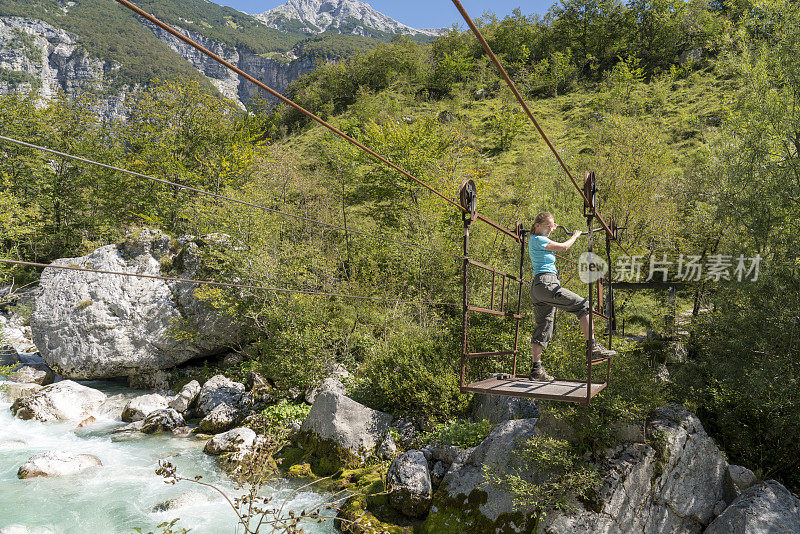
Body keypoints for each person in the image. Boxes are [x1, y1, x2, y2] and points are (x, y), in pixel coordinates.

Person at [528, 211, 616, 381]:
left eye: (550, 227)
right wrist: (575, 235)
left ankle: (536, 369)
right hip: (547, 283)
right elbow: (564, 247)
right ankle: (593, 347)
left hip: (538, 287)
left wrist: (551, 228)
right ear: (537, 225)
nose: (549, 230)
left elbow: (548, 233)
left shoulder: (535, 239)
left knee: (544, 325)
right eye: (546, 226)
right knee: (584, 305)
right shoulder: (539, 239)